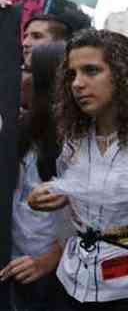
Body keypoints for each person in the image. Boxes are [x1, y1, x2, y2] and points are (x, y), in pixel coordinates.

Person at [27, 29, 128, 310]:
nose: (77, 84)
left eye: (91, 71)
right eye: (72, 74)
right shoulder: (75, 141)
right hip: (72, 282)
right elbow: (69, 203)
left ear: (123, 75)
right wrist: (53, 197)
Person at [1, 43, 66, 311]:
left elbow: (94, 213)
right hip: (16, 262)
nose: (19, 76)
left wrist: (50, 259)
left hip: (54, 272)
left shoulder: (77, 138)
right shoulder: (22, 128)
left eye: (26, 69)